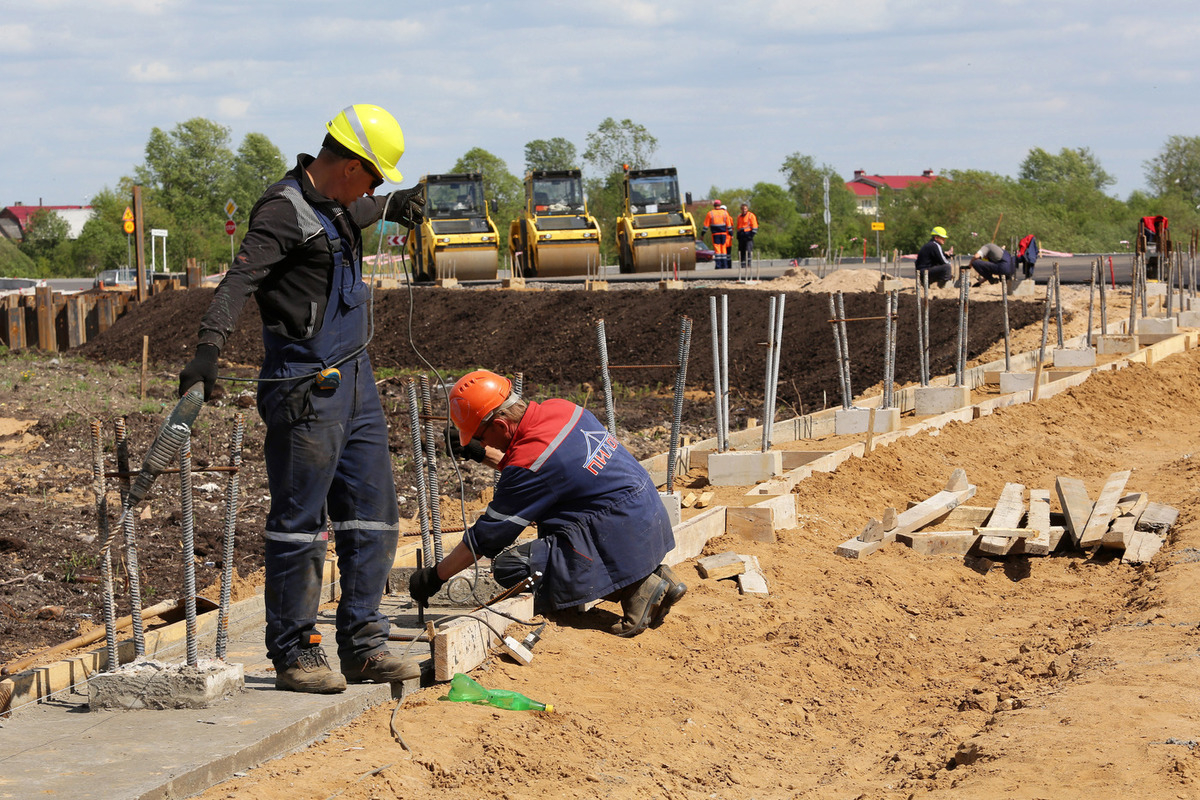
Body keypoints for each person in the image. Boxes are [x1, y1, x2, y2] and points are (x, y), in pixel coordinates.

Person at [178, 104, 426, 694]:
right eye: (375, 177)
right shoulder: (281, 211)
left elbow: (353, 215)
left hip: (356, 377)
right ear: (349, 164)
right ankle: (293, 651)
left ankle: (363, 645)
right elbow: (238, 281)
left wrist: (390, 206)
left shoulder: (336, 204)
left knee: (373, 512)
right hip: (306, 383)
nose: (374, 188)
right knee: (300, 525)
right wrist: (207, 351)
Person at [409, 370, 687, 638]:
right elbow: (543, 470)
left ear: (501, 425)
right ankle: (652, 574)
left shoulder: (531, 464)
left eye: (480, 436)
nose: (482, 442)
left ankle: (635, 588)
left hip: (618, 533)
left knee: (511, 567)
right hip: (647, 521)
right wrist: (482, 452)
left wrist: (435, 577)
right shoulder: (563, 409)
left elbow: (486, 538)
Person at [702, 200, 735, 270]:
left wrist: (702, 234)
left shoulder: (710, 213)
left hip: (715, 233)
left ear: (714, 205)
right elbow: (729, 226)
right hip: (723, 234)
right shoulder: (725, 213)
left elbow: (705, 226)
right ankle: (725, 265)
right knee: (723, 248)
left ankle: (719, 265)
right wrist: (731, 234)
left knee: (717, 249)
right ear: (720, 205)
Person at [736, 202, 759, 270]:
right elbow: (738, 227)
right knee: (741, 251)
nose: (744, 210)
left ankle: (748, 264)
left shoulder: (751, 215)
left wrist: (751, 235)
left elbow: (754, 226)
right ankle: (743, 265)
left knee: (748, 250)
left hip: (748, 234)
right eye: (743, 209)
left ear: (747, 209)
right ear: (741, 209)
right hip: (741, 235)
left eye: (745, 209)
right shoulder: (739, 217)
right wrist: (738, 234)